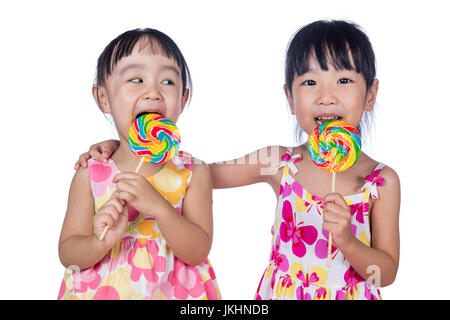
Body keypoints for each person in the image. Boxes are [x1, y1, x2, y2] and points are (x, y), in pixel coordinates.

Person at [75, 20, 400, 300]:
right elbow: (201, 174)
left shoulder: (381, 181)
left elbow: (384, 273)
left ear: (370, 93)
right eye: (310, 82)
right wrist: (121, 148)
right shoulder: (279, 162)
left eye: (344, 80)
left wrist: (346, 240)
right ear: (290, 97)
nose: (326, 95)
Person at [58, 28, 221, 300]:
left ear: (183, 99)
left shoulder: (194, 173)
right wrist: (100, 242)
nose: (154, 92)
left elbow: (198, 251)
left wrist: (159, 207)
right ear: (103, 98)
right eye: (136, 79)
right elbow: (68, 253)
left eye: (168, 82)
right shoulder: (92, 172)